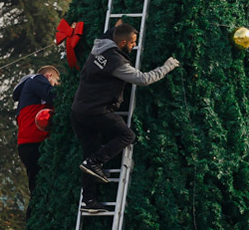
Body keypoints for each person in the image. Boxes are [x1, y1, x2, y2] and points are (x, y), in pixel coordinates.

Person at [71, 22, 179, 215]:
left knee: (87, 156)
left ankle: (88, 200)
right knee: (126, 136)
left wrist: (118, 23)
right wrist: (167, 66)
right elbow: (143, 79)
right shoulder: (117, 63)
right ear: (122, 43)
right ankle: (96, 161)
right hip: (96, 111)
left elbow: (111, 31)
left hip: (79, 109)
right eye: (132, 43)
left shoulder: (101, 44)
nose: (134, 46)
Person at [13, 65, 60, 198]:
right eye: (56, 82)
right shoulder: (36, 79)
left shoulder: (27, 96)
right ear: (49, 76)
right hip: (36, 142)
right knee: (41, 191)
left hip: (27, 144)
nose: (55, 86)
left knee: (37, 188)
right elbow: (55, 96)